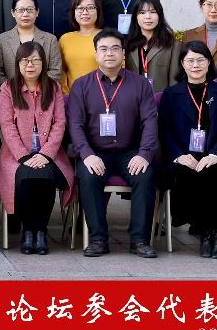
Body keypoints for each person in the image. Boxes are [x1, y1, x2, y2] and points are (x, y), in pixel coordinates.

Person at [67, 29, 159, 258]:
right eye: (104, 49)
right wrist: (87, 154)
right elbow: (75, 125)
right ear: (96, 53)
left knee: (145, 175)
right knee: (88, 176)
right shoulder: (81, 85)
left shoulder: (140, 84)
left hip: (130, 152)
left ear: (123, 53)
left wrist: (144, 154)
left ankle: (139, 240)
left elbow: (150, 122)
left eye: (115, 48)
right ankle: (98, 239)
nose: (109, 53)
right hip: (94, 152)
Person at [159, 41, 217, 259]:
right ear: (182, 64)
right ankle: (206, 231)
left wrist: (215, 154)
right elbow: (164, 130)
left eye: (200, 60)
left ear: (208, 63)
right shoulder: (171, 94)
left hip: (216, 156)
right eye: (190, 61)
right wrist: (178, 156)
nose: (195, 65)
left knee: (216, 175)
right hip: (184, 157)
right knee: (190, 175)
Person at [0, 42, 73, 255]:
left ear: (43, 63)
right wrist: (23, 156)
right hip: (16, 154)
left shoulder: (53, 87)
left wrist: (46, 154)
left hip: (50, 154)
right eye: (25, 60)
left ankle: (41, 230)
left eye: (36, 60)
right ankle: (28, 230)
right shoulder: (8, 88)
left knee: (46, 175)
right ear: (18, 64)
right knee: (25, 177)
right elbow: (7, 125)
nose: (30, 65)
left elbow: (60, 123)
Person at [0, 0, 60, 85]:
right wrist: (13, 89)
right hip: (12, 91)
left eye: (30, 9)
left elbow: (55, 72)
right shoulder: (1, 40)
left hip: (43, 92)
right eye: (20, 10)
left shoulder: (50, 40)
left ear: (37, 12)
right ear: (13, 12)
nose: (25, 14)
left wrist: (36, 89)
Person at [125, 0, 180, 92]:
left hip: (161, 99)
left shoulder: (173, 46)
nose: (148, 17)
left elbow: (174, 81)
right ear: (135, 17)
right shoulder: (128, 45)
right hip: (134, 99)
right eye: (142, 12)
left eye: (153, 12)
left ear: (159, 16)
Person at [59, 0, 103, 93]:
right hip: (73, 96)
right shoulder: (65, 39)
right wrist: (66, 94)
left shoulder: (107, 37)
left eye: (90, 8)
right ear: (74, 12)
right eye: (80, 8)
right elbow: (61, 71)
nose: (85, 12)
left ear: (98, 11)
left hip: (103, 96)